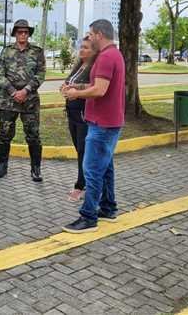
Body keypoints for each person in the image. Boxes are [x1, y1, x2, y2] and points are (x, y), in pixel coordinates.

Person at [62, 19, 125, 233]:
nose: (88, 38)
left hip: (102, 124)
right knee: (105, 168)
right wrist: (78, 85)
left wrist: (76, 94)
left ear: (99, 34)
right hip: (107, 122)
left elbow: (99, 90)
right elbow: (96, 85)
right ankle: (108, 207)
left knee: (92, 170)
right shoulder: (113, 54)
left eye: (90, 34)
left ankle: (88, 216)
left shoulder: (107, 57)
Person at [0, 19, 46, 182]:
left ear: (29, 34)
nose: (22, 34)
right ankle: (2, 165)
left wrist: (25, 90)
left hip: (29, 101)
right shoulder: (6, 51)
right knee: (4, 134)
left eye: (25, 32)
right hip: (8, 101)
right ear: (15, 34)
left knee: (33, 135)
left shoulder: (37, 52)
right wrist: (12, 91)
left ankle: (36, 168)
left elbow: (41, 74)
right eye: (19, 32)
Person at [61, 36, 97, 202]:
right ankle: (85, 182)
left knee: (84, 151)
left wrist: (74, 88)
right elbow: (68, 81)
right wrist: (64, 86)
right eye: (81, 47)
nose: (82, 50)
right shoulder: (79, 65)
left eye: (86, 47)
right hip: (72, 112)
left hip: (83, 112)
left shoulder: (94, 67)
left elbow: (93, 87)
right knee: (79, 149)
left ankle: (81, 185)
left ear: (94, 51)